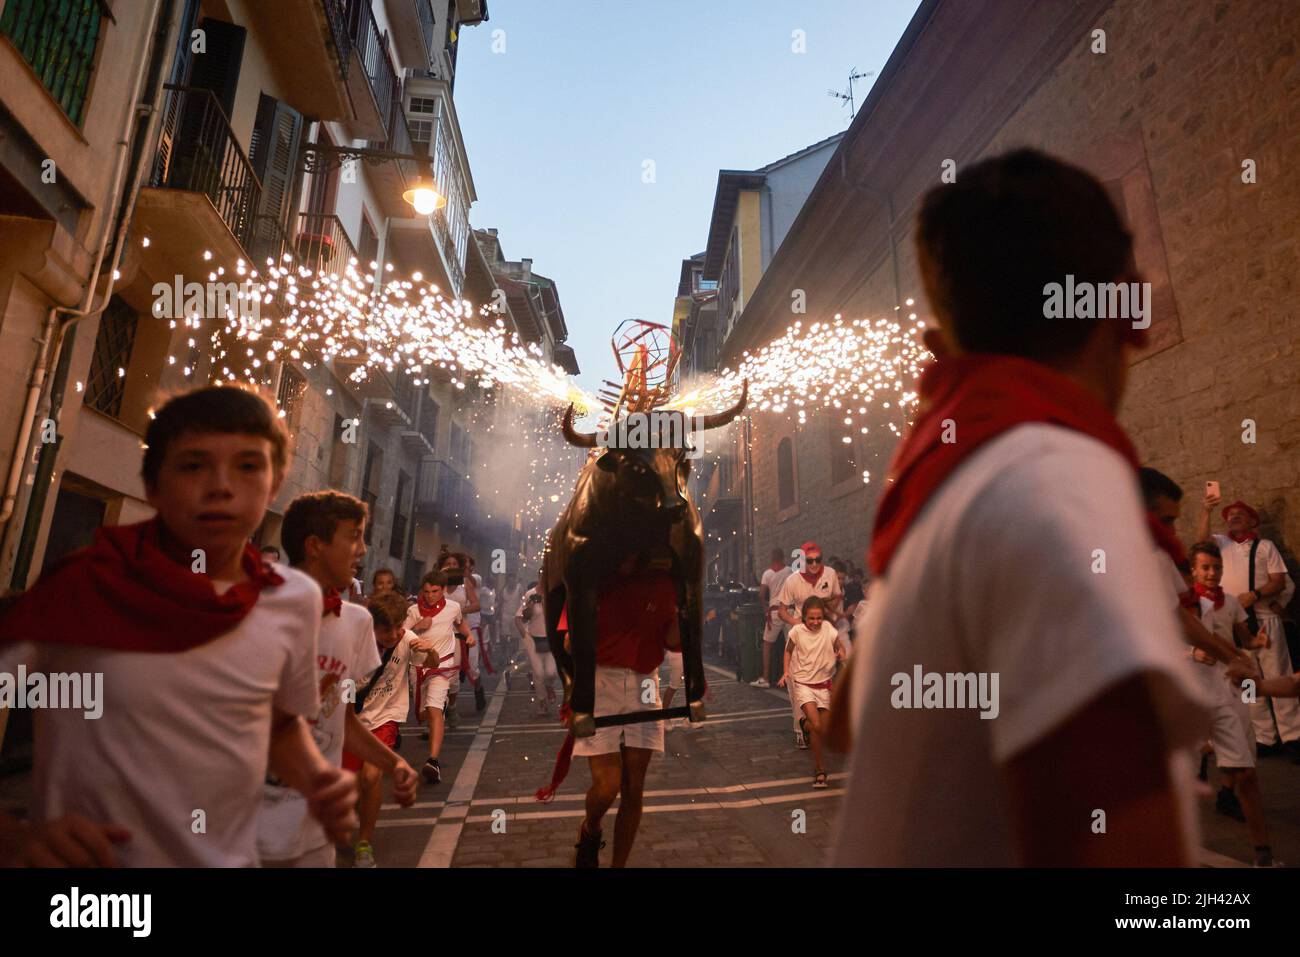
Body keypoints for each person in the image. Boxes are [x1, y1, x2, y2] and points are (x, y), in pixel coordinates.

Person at [834, 149, 1209, 866]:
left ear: (941, 345)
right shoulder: (1056, 478)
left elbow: (852, 718)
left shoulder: (942, 488)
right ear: (1125, 306)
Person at [0, 384, 357, 866]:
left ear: (275, 486)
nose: (221, 486)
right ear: (153, 485)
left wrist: (317, 779)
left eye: (248, 466)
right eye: (193, 465)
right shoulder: (83, 587)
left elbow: (277, 723)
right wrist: (14, 837)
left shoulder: (292, 600)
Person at [258, 492, 418, 867]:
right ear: (314, 546)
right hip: (251, 830)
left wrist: (394, 763)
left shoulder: (356, 622)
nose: (362, 549)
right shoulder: (257, 610)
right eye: (354, 535)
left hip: (316, 834)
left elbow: (341, 717)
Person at [567, 552, 679, 868]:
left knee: (634, 787)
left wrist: (688, 615)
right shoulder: (597, 575)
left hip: (645, 680)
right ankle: (591, 827)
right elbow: (570, 641)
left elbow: (672, 639)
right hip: (602, 678)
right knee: (607, 787)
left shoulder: (666, 582)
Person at [1183, 541, 1276, 866]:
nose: (1212, 573)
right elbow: (1165, 642)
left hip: (1226, 688)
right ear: (1193, 569)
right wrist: (1192, 653)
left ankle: (1262, 855)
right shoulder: (1183, 605)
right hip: (1189, 693)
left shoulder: (1232, 603)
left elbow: (1243, 638)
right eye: (1205, 567)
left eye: (1217, 567)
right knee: (1181, 781)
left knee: (1247, 770)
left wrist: (1256, 641)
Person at [1197, 492, 1300, 754]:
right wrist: (1207, 511)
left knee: (1278, 674)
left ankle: (1293, 736)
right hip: (1236, 623)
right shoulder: (1220, 543)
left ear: (1252, 522)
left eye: (1239, 515)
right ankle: (1264, 736)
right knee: (1247, 678)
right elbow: (1200, 542)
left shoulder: (1265, 547)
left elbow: (1278, 580)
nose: (1232, 518)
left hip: (1265, 618)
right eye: (1229, 516)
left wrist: (1254, 595)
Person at [345, 591, 435, 867]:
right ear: (371, 625)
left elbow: (432, 664)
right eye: (386, 630)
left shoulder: (406, 639)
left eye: (398, 626)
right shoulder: (354, 643)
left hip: (386, 718)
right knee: (350, 783)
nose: (394, 634)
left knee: (371, 776)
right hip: (351, 721)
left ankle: (365, 842)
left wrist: (428, 650)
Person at [774, 542, 840, 745]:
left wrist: (828, 613)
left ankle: (821, 726)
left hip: (822, 636)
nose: (814, 565)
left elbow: (837, 596)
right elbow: (782, 610)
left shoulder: (830, 574)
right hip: (800, 638)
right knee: (797, 683)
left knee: (824, 681)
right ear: (802, 561)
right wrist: (798, 623)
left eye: (817, 560)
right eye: (809, 561)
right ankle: (801, 730)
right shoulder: (792, 581)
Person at [405, 570, 466, 784]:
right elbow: (400, 635)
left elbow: (460, 623)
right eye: (427, 591)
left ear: (442, 591)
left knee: (434, 709)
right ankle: (441, 706)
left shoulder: (453, 607)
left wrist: (469, 636)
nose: (431, 595)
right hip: (418, 667)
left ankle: (433, 760)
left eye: (435, 591)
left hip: (442, 666)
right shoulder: (413, 611)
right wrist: (417, 626)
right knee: (422, 715)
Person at [778, 597, 844, 789]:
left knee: (822, 728)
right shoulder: (797, 631)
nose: (815, 622)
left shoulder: (829, 629)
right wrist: (786, 671)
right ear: (804, 617)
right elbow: (788, 651)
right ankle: (820, 770)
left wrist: (842, 655)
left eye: (819, 618)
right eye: (811, 618)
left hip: (824, 685)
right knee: (817, 725)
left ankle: (803, 725)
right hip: (803, 684)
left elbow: (840, 646)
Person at [440, 552, 483, 716]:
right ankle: (440, 711)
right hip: (440, 633)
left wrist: (458, 611)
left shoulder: (465, 583)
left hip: (462, 631)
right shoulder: (438, 581)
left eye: (454, 565)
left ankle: (473, 692)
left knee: (468, 669)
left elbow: (476, 605)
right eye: (448, 564)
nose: (451, 567)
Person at [516, 574, 557, 716]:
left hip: (551, 639)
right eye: (542, 576)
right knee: (538, 673)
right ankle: (542, 702)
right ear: (540, 577)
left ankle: (549, 685)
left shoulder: (555, 593)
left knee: (551, 672)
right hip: (533, 639)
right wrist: (530, 607)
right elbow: (522, 617)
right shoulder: (530, 594)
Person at [752, 547, 792, 690]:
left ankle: (766, 677)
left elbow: (761, 595)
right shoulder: (789, 571)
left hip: (775, 611)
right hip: (789, 610)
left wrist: (765, 608)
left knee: (767, 644)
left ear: (772, 558)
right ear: (783, 557)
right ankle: (792, 677)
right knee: (791, 644)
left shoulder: (767, 574)